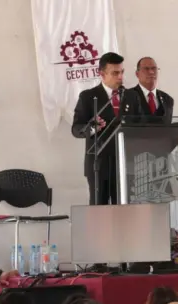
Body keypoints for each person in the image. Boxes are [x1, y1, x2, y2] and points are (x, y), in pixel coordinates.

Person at [71, 52, 140, 205]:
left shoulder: (131, 96)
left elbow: (140, 125)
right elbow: (76, 129)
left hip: (125, 164)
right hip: (99, 165)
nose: (120, 77)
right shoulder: (88, 97)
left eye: (122, 72)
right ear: (101, 74)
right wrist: (91, 128)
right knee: (98, 211)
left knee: (124, 212)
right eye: (115, 73)